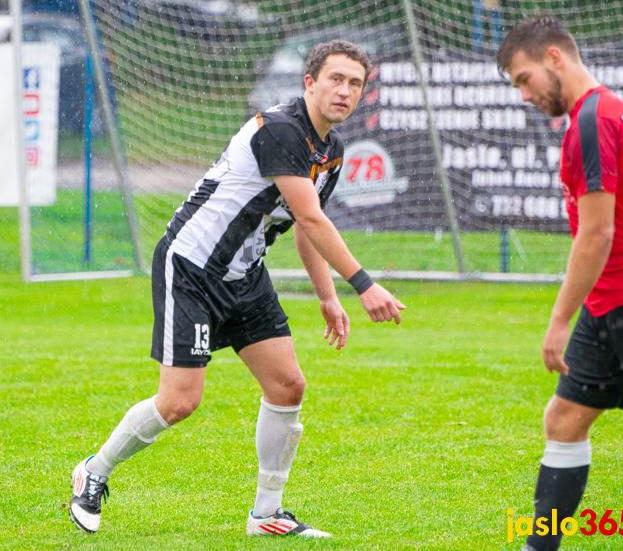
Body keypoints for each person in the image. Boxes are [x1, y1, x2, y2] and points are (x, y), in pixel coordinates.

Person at [68, 39, 405, 538]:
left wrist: (328, 296)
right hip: (192, 269)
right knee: (180, 401)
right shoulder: (282, 131)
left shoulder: (329, 149)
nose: (345, 90)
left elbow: (307, 223)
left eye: (355, 83)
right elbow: (311, 216)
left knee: (288, 386)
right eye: (336, 78)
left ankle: (266, 514)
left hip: (245, 275)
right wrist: (363, 285)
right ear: (309, 82)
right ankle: (94, 470)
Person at [496, 15, 623, 551]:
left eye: (524, 79)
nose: (526, 94)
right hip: (614, 299)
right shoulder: (609, 111)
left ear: (555, 57)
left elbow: (597, 234)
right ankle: (540, 546)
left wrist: (558, 320)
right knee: (563, 419)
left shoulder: (592, 119)